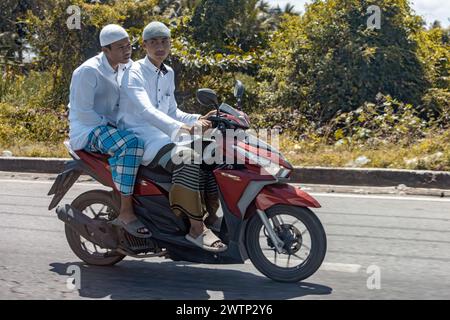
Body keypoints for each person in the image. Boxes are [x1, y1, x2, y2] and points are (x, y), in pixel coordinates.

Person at [118, 21, 226, 252]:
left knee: (211, 151)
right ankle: (196, 229)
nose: (160, 46)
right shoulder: (133, 72)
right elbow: (146, 111)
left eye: (164, 41)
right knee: (187, 158)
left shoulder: (168, 72)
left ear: (170, 44)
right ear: (145, 45)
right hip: (143, 135)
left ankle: (210, 215)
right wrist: (181, 129)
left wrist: (201, 118)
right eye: (154, 42)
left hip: (165, 134)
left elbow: (172, 111)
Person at [68, 24, 151, 238]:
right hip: (88, 130)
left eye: (129, 45)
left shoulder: (127, 67)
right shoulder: (88, 71)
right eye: (120, 47)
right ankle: (126, 212)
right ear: (105, 50)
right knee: (132, 144)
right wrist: (113, 125)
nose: (127, 50)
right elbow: (83, 112)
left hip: (114, 126)